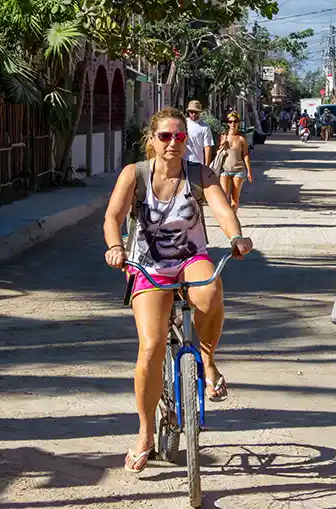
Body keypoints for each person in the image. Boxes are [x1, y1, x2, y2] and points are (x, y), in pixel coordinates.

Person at [103, 107, 254, 473]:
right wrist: (115, 247)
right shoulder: (134, 174)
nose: (173, 143)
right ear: (151, 140)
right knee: (151, 346)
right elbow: (113, 217)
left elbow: (221, 208)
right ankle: (144, 434)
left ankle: (208, 360)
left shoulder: (199, 174)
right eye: (165, 136)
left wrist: (235, 236)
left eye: (180, 136)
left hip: (190, 257)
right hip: (147, 264)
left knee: (210, 289)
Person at [217, 112, 253, 211]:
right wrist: (222, 144)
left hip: (239, 170)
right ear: (228, 123)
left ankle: (233, 219)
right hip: (225, 170)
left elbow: (245, 154)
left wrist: (249, 171)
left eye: (235, 121)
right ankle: (227, 219)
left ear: (238, 123)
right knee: (224, 197)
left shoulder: (242, 138)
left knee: (235, 198)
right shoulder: (223, 136)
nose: (233, 124)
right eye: (230, 121)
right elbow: (218, 152)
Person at [184, 100, 214, 165]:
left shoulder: (205, 127)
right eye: (191, 112)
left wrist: (207, 166)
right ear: (188, 112)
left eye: (196, 112)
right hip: (183, 161)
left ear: (199, 112)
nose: (193, 114)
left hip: (197, 163)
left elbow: (207, 147)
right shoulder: (183, 123)